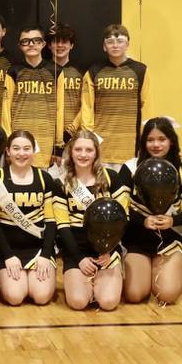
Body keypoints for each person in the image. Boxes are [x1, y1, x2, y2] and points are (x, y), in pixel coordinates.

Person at [53, 130, 129, 311]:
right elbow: (62, 227)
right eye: (78, 149)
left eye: (89, 150)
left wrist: (109, 251)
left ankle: (103, 282)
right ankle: (86, 284)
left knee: (108, 303)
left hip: (107, 251)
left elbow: (123, 219)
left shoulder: (112, 178)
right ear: (71, 152)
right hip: (76, 250)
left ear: (96, 153)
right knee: (78, 302)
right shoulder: (61, 183)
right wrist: (79, 259)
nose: (83, 155)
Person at [119, 118, 182, 305]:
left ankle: (161, 272)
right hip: (137, 238)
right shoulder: (130, 168)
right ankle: (144, 272)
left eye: (162, 139)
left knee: (167, 296)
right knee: (134, 295)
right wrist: (142, 221)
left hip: (171, 239)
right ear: (143, 142)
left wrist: (172, 221)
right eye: (150, 140)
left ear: (171, 141)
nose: (156, 144)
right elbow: (120, 207)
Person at [0, 131, 57, 306]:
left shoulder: (45, 178)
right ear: (8, 151)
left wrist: (46, 255)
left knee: (41, 297)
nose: (21, 153)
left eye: (27, 148)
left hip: (37, 251)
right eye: (16, 148)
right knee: (15, 297)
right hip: (8, 252)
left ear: (34, 151)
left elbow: (50, 222)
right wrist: (8, 255)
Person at [80, 24, 150, 168]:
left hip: (130, 148)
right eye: (110, 42)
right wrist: (89, 139)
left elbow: (146, 106)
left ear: (128, 44)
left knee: (125, 190)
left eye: (120, 41)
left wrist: (145, 138)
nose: (115, 46)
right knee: (101, 189)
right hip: (101, 148)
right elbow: (87, 108)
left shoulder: (141, 71)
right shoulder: (93, 72)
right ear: (104, 46)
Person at [1, 26, 58, 169]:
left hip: (46, 139)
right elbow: (6, 109)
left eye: (36, 40)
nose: (31, 44)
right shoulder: (13, 71)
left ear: (44, 44)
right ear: (20, 46)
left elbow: (60, 109)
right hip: (19, 138)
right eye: (26, 41)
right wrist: (8, 138)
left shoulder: (55, 71)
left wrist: (58, 144)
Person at [47, 23, 83, 165]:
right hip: (47, 137)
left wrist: (70, 131)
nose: (60, 45)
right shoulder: (43, 71)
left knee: (74, 184)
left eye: (65, 41)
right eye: (56, 41)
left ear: (71, 45)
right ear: (49, 45)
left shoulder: (81, 72)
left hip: (73, 138)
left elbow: (86, 105)